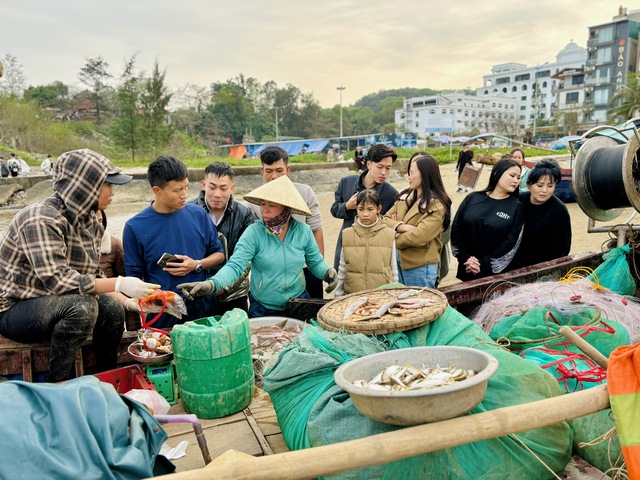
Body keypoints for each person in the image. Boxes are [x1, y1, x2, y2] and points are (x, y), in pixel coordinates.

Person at [0, 148, 159, 382]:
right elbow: (59, 281)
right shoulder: (41, 219)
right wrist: (121, 282)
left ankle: (105, 376)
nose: (112, 192)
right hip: (14, 309)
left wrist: (133, 303)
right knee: (82, 307)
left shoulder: (88, 220)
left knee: (112, 310)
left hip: (57, 302)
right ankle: (59, 383)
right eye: (108, 185)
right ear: (86, 186)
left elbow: (93, 278)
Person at [178, 175, 337, 318]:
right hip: (263, 307)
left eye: (272, 205)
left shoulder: (303, 231)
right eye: (262, 204)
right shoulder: (254, 232)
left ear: (286, 208)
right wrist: (211, 284)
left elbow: (315, 262)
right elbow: (235, 266)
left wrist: (327, 272)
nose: (264, 210)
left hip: (298, 303)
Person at [123, 156, 225, 328]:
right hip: (164, 311)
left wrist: (196, 264)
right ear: (157, 190)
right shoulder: (135, 227)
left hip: (203, 305)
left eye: (186, 187)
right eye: (177, 190)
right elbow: (133, 278)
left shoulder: (198, 215)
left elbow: (219, 254)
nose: (184, 195)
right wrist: (154, 300)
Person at [247, 146, 326, 299]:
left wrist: (318, 267)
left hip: (305, 266)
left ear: (288, 170)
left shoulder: (304, 192)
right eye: (269, 171)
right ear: (262, 171)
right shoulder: (254, 201)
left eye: (279, 170)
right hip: (273, 273)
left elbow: (316, 229)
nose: (274, 176)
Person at [189, 162, 256, 314]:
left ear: (232, 188)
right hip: (197, 291)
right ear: (203, 185)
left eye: (223, 188)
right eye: (212, 187)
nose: (217, 194)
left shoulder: (244, 214)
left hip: (233, 294)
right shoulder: (188, 210)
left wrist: (223, 286)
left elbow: (246, 260)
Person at [451, 158, 525, 281]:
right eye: (512, 175)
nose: (516, 180)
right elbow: (456, 228)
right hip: (467, 267)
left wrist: (483, 263)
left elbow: (511, 241)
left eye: (518, 177)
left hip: (493, 275)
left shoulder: (517, 207)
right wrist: (466, 258)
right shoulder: (473, 198)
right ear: (497, 173)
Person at [384, 154, 452, 288]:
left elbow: (419, 237)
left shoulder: (436, 205)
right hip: (400, 263)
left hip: (421, 267)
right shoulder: (405, 197)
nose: (409, 176)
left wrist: (391, 237)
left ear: (425, 175)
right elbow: (384, 219)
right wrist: (401, 227)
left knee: (420, 305)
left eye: (412, 172)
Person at [331, 143, 399, 270]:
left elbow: (390, 224)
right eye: (380, 167)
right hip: (346, 246)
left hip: (373, 253)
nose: (384, 172)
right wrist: (347, 206)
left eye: (388, 168)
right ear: (369, 164)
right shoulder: (346, 182)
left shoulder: (392, 194)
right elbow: (334, 210)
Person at [334, 189, 398, 297]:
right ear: (356, 209)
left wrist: (395, 294)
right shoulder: (347, 234)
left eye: (370, 209)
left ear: (378, 209)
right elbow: (342, 267)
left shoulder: (389, 234)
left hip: (381, 297)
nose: (365, 214)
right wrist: (338, 294)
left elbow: (394, 269)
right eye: (361, 209)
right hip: (352, 296)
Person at [510, 159, 572, 270]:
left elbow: (561, 250)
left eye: (550, 186)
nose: (544, 190)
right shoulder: (519, 200)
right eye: (539, 185)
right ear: (529, 185)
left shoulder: (559, 211)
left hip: (541, 268)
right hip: (512, 264)